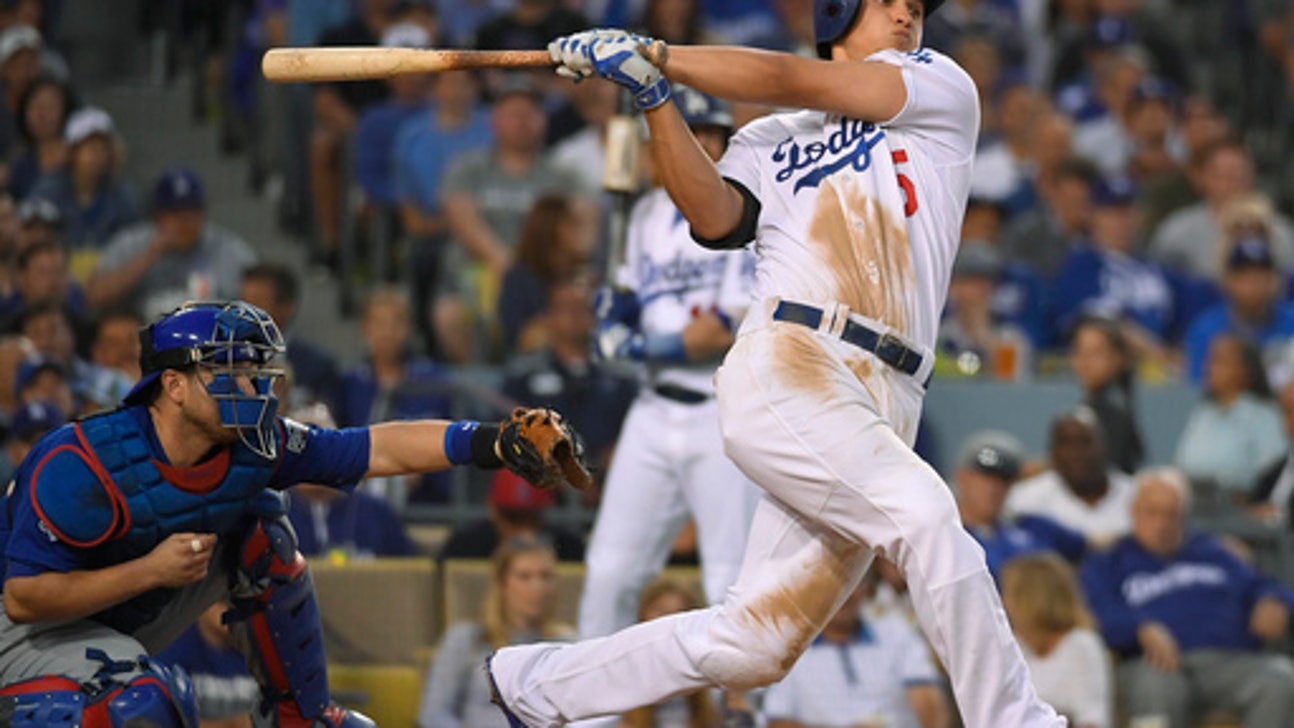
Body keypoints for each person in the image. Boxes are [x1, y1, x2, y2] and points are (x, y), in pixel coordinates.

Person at [488, 3, 1065, 727]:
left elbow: (782, 75)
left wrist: (655, 53)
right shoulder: (766, 138)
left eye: (916, 3)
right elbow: (714, 218)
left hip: (888, 391)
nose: (909, 9)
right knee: (924, 517)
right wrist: (653, 97)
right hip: (793, 357)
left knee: (751, 646)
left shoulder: (938, 84)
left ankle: (531, 685)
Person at [0, 299, 586, 726]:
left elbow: (375, 447)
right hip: (27, 629)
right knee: (136, 707)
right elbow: (24, 597)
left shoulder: (256, 442)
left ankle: (299, 717)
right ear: (174, 386)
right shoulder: (79, 462)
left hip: (125, 608)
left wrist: (492, 441)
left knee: (262, 527)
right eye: (232, 373)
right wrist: (148, 572)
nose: (254, 389)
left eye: (256, 373)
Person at [580, 85, 760, 645]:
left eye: (711, 135)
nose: (701, 145)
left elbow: (722, 330)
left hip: (721, 412)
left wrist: (639, 347)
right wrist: (614, 313)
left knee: (733, 581)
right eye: (691, 134)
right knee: (609, 573)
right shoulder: (645, 216)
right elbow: (629, 295)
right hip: (653, 411)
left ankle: (746, 713)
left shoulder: (742, 212)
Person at [1080, 468, 1294, 728]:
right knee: (1157, 687)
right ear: (1134, 513)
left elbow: (1262, 584)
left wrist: (1272, 600)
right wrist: (1138, 627)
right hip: (1154, 664)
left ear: (1184, 517)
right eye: (1152, 513)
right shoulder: (1109, 560)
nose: (1162, 524)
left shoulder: (1213, 551)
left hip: (1227, 661)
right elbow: (1096, 610)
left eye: (1171, 515)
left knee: (1281, 680)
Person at [417, 536, 574, 728]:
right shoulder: (465, 640)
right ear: (501, 582)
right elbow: (434, 715)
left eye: (545, 576)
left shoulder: (566, 645)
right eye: (525, 577)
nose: (537, 587)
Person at [761, 569, 950, 728]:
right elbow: (777, 722)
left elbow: (928, 700)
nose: (842, 595)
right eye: (830, 589)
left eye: (850, 584)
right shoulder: (792, 652)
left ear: (864, 590)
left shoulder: (895, 633)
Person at [86, 167, 257, 321]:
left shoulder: (228, 248)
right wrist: (149, 256)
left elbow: (262, 301)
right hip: (145, 344)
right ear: (157, 216)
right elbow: (94, 298)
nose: (185, 222)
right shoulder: (132, 243)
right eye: (176, 214)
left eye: (192, 212)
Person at [951, 431, 1086, 583]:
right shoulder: (947, 536)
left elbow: (1090, 545)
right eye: (985, 478)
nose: (993, 488)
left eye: (1002, 480)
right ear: (962, 477)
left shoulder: (1030, 528)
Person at [284, 403, 414, 559]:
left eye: (316, 450)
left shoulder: (376, 512)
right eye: (298, 451)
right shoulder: (275, 514)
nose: (307, 460)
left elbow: (407, 572)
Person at [1000, 555, 1112, 728]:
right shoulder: (1010, 648)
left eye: (1009, 594)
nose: (1003, 602)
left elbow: (1092, 718)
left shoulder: (1082, 645)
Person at [1174, 333, 1286, 498]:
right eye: (1209, 360)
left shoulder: (1264, 416)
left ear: (1246, 370)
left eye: (1219, 361)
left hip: (1239, 507)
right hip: (1193, 498)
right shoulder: (1203, 412)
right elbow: (1183, 461)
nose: (1208, 367)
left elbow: (1274, 473)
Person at [1005, 407, 1136, 546]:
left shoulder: (1138, 496)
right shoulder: (1024, 500)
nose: (1075, 453)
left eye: (1084, 441)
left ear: (1104, 445)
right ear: (1052, 450)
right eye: (1064, 442)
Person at [618, 577, 718, 728]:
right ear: (642, 616)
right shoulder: (619, 674)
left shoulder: (711, 679)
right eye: (661, 612)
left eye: (679, 614)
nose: (669, 623)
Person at [440, 468, 587, 563]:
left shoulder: (570, 550)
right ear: (493, 510)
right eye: (512, 518)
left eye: (531, 518)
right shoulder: (465, 548)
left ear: (543, 515)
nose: (522, 529)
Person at [155, 602, 259, 728]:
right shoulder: (173, 643)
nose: (237, 617)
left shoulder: (258, 648)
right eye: (226, 606)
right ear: (207, 606)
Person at [1069, 315, 1144, 473]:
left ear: (1118, 359)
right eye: (1079, 351)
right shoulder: (1098, 402)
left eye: (1096, 353)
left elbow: (1103, 474)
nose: (1085, 360)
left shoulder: (1113, 408)